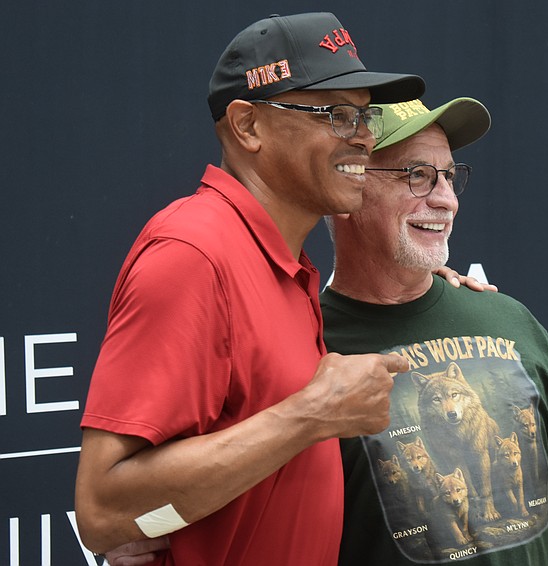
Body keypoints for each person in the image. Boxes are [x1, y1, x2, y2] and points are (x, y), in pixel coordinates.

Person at [75, 12, 425, 565]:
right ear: (247, 126)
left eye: (365, 116)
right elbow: (101, 515)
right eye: (335, 115)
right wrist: (313, 414)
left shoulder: (286, 262)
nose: (362, 137)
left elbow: (160, 510)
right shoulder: (193, 252)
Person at [319, 97, 548, 564]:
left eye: (449, 176)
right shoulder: (305, 343)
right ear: (347, 190)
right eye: (417, 175)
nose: (446, 199)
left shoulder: (506, 318)